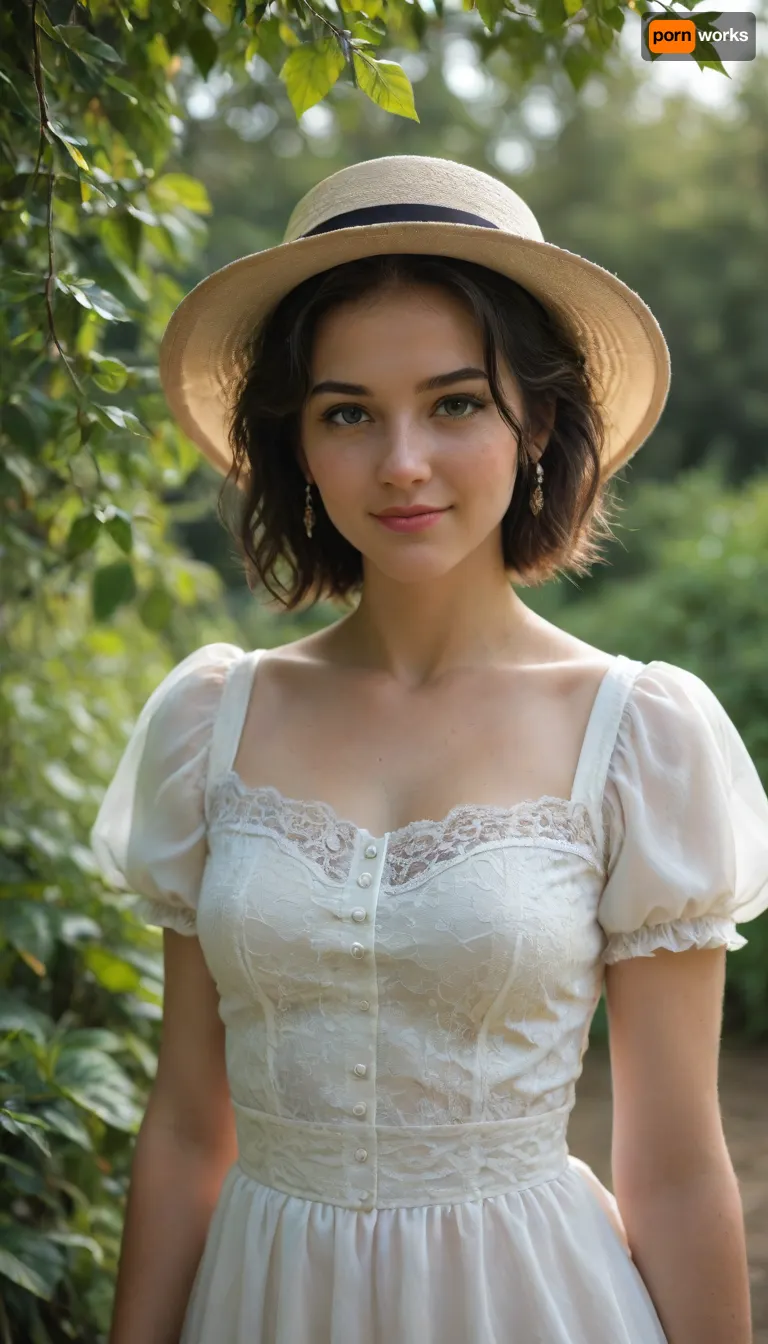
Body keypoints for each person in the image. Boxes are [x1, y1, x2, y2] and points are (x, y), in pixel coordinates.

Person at [91, 155, 768, 1344]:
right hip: (263, 1304)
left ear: (536, 420)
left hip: (530, 1302)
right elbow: (190, 1128)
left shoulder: (638, 737)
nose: (402, 461)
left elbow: (672, 1165)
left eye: (454, 403)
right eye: (348, 412)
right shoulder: (213, 721)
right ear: (299, 444)